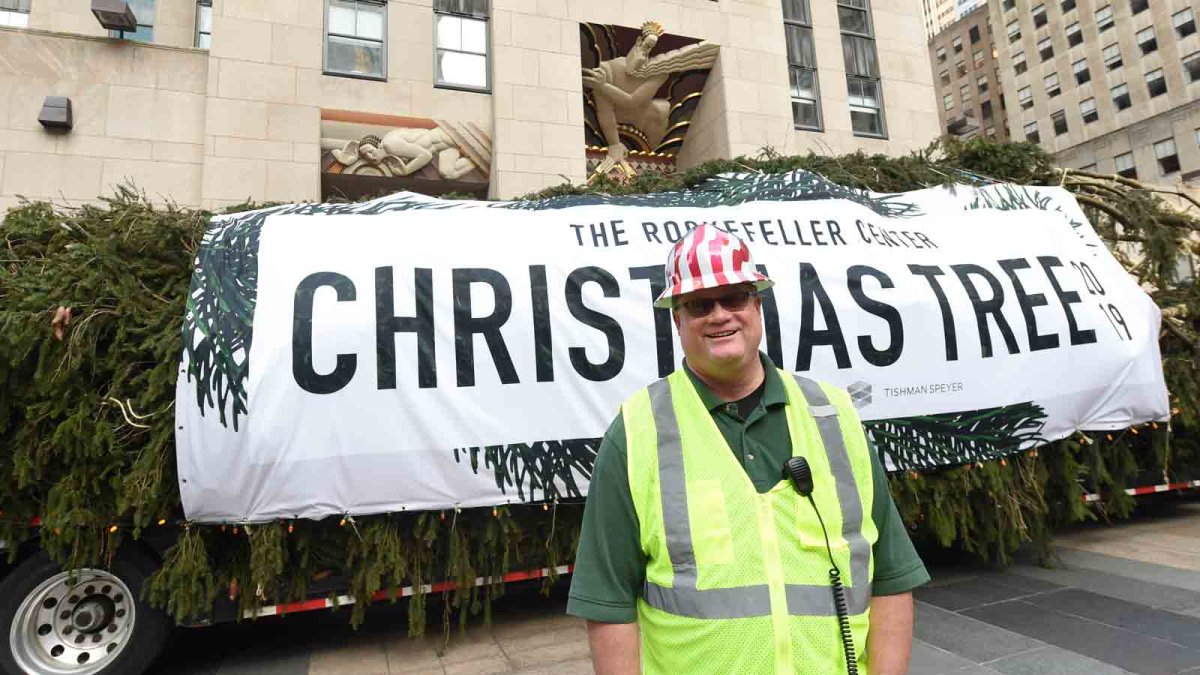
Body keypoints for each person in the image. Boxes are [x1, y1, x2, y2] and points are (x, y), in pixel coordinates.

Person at [567, 224, 929, 674]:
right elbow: (608, 602)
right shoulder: (637, 430)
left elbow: (891, 575)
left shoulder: (832, 415)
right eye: (699, 304)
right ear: (677, 320)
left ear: (756, 305)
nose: (720, 315)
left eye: (734, 297)